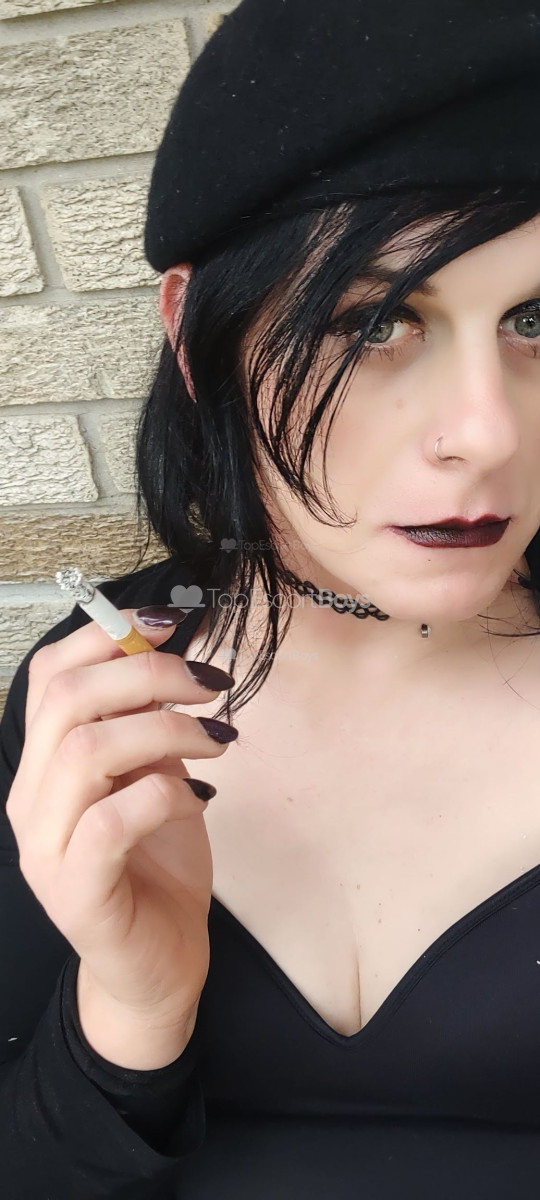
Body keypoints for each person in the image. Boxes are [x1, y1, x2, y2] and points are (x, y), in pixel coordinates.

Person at [2, 1, 540, 1196]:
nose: (489, 432)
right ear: (196, 334)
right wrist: (131, 1016)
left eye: (536, 320)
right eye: (376, 321)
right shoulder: (98, 690)